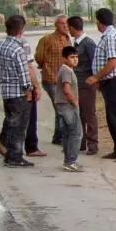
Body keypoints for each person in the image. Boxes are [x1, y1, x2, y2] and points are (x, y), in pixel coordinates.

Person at [86, 8, 116, 161]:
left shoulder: (111, 37)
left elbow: (113, 62)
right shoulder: (107, 36)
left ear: (99, 21)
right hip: (108, 82)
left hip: (115, 81)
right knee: (112, 118)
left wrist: (96, 77)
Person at [0, 15, 36, 168]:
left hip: (6, 91)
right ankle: (14, 156)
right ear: (21, 30)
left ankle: (9, 154)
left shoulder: (0, 46)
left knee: (11, 123)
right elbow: (24, 74)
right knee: (19, 127)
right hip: (18, 93)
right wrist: (29, 89)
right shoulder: (18, 50)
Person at [35, 16, 74, 146]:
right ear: (56, 25)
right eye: (62, 24)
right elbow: (39, 57)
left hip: (65, 80)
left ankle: (58, 136)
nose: (65, 26)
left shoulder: (68, 39)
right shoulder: (47, 39)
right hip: (51, 79)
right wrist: (45, 66)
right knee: (60, 107)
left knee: (61, 107)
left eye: (67, 24)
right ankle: (60, 136)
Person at [67, 16, 99, 155]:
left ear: (73, 28)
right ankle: (81, 142)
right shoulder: (76, 44)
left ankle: (93, 145)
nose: (68, 31)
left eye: (69, 28)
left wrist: (94, 81)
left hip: (86, 84)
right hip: (77, 84)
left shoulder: (88, 44)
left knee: (89, 114)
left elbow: (95, 64)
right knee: (78, 114)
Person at [53, 46, 85, 172]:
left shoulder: (66, 70)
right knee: (76, 132)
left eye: (76, 57)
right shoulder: (66, 71)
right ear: (64, 59)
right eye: (72, 57)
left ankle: (68, 161)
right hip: (67, 105)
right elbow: (67, 89)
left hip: (62, 105)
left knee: (67, 133)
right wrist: (75, 102)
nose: (75, 60)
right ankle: (71, 161)